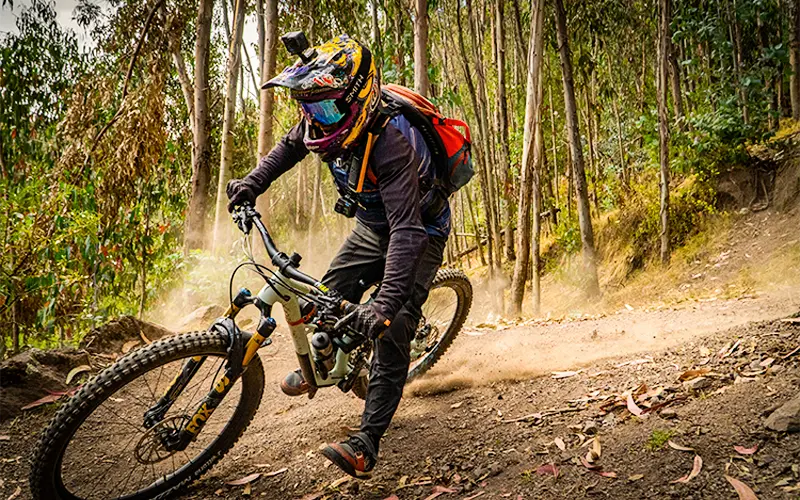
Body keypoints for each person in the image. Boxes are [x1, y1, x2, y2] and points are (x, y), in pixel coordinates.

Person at [226, 34, 450, 478]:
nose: (315, 119)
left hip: (418, 230)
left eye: (324, 108)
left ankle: (367, 443)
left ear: (358, 101)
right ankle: (323, 366)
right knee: (328, 297)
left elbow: (407, 232)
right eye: (308, 107)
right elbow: (290, 147)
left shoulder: (391, 145)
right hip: (372, 226)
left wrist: (385, 305)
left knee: (394, 326)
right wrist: (252, 183)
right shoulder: (322, 121)